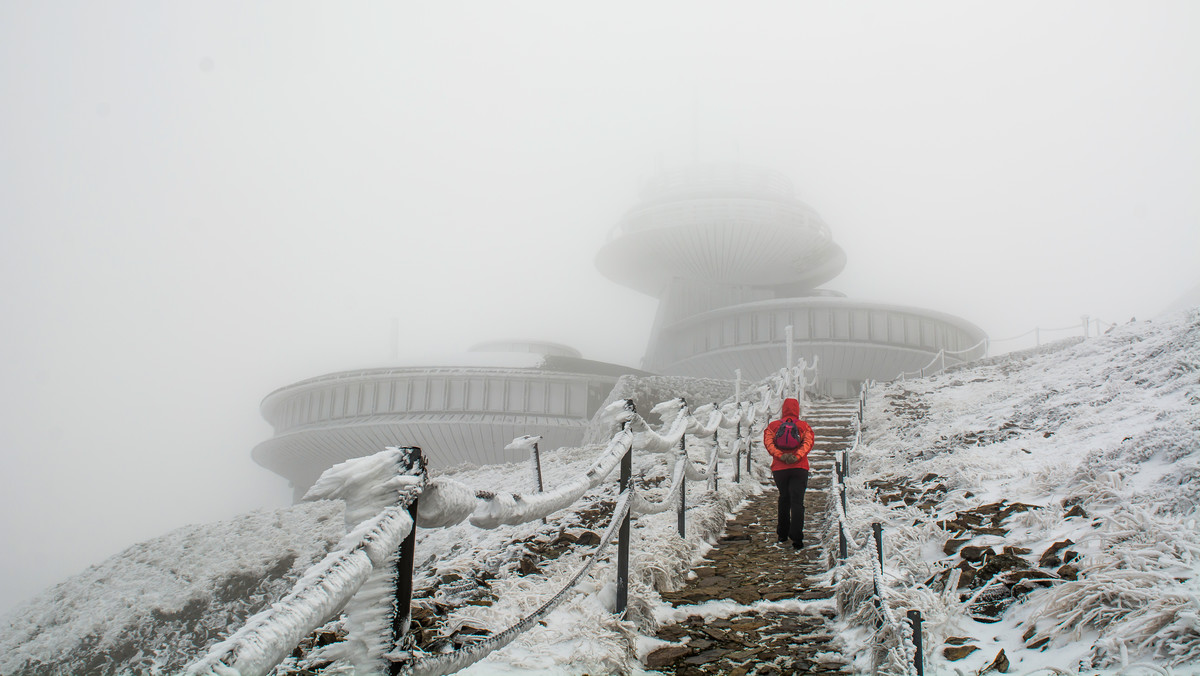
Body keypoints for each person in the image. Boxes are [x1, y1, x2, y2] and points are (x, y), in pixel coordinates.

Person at [763, 397, 815, 549]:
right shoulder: (803, 426)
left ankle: (782, 534)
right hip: (800, 468)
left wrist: (781, 456)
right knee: (797, 502)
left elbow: (768, 443)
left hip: (780, 469)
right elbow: (808, 443)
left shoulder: (773, 426)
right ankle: (797, 539)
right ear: (797, 409)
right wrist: (796, 456)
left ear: (783, 409)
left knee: (784, 498)